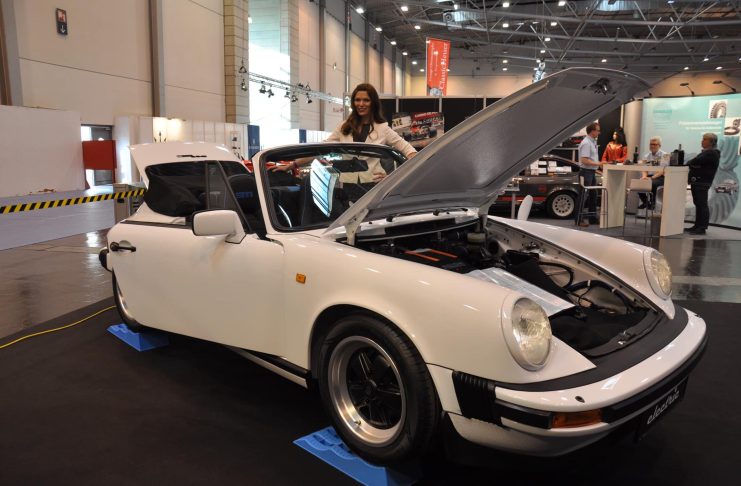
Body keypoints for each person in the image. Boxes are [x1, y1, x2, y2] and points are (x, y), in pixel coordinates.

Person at [274, 83, 416, 184]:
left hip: (374, 185)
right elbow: (319, 150)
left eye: (366, 100)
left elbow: (410, 152)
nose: (361, 104)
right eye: (357, 100)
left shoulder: (383, 128)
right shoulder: (344, 127)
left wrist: (393, 177)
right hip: (348, 185)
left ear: (373, 103)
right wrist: (292, 165)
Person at [684, 132, 720, 235]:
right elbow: (694, 163)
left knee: (702, 205)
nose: (702, 141)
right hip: (698, 182)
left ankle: (702, 227)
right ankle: (697, 226)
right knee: (698, 204)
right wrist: (695, 165)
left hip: (702, 182)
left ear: (711, 142)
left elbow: (693, 162)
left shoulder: (711, 153)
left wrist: (694, 165)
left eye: (704, 139)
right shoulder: (706, 152)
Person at [575, 122, 608, 227]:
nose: (599, 132)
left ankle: (592, 219)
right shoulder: (586, 143)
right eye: (598, 130)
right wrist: (599, 164)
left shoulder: (592, 142)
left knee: (593, 195)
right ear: (592, 131)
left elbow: (591, 159)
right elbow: (584, 160)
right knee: (583, 196)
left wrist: (598, 166)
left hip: (591, 172)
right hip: (586, 172)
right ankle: (578, 220)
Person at [638, 136, 667, 209]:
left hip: (661, 177)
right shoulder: (646, 156)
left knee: (652, 183)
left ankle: (653, 203)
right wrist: (644, 177)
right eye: (651, 144)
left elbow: (662, 170)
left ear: (659, 146)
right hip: (650, 176)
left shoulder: (665, 155)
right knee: (638, 183)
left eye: (654, 144)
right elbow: (644, 169)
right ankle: (646, 203)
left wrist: (652, 178)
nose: (652, 146)